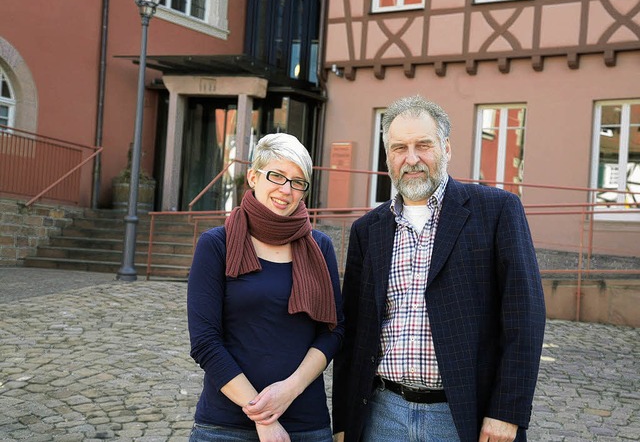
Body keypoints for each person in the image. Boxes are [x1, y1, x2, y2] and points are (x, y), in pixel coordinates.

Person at [332, 95, 546, 442]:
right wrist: (343, 422)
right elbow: (354, 335)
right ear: (388, 156)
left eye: (423, 145)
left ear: (446, 147)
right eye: (399, 147)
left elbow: (526, 317)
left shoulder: (496, 211)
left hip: (464, 416)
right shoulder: (367, 230)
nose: (411, 158)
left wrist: (507, 412)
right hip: (381, 415)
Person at [188, 133, 344, 442]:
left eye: (298, 182)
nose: (286, 190)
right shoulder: (215, 245)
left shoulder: (320, 246)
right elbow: (205, 342)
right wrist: (262, 415)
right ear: (253, 176)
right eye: (277, 175)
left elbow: (333, 331)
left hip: (305, 423)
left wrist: (289, 391)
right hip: (225, 426)